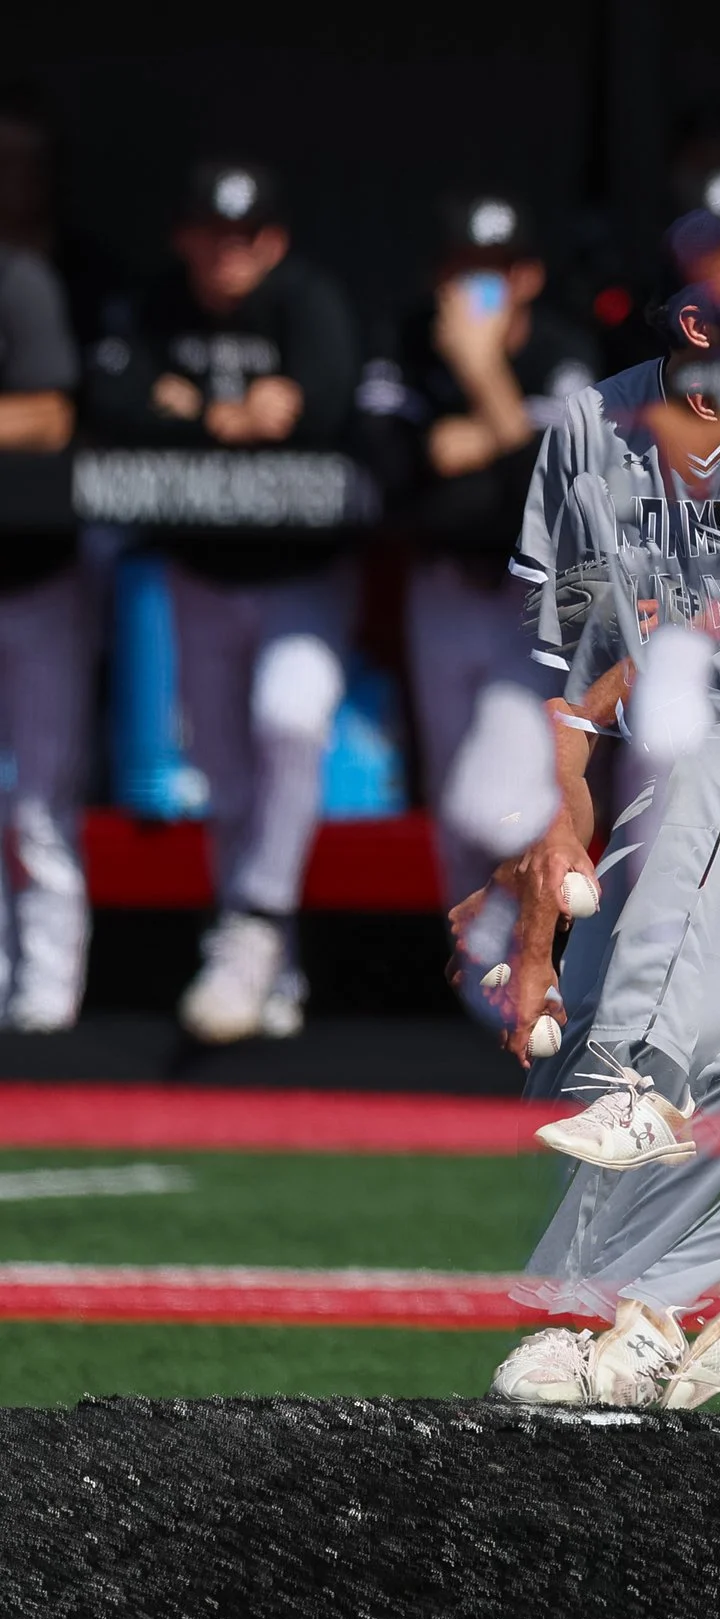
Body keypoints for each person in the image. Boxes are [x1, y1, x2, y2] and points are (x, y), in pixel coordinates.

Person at [84, 160, 360, 1044]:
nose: (224, 254)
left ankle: (259, 923)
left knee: (290, 718)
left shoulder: (308, 301)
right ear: (184, 237)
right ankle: (262, 957)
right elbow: (114, 398)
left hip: (302, 577)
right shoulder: (158, 304)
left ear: (271, 241)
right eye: (210, 236)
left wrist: (194, 403)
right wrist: (218, 415)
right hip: (199, 576)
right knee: (226, 774)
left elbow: (329, 405)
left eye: (242, 238)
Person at [360, 193, 601, 908]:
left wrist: (484, 384)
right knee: (450, 804)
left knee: (486, 796)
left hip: (535, 602)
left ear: (526, 277)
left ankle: (558, 921)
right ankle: (489, 984)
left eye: (492, 273)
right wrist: (497, 433)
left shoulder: (563, 350)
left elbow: (563, 490)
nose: (474, 290)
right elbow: (386, 468)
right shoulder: (403, 339)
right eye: (462, 271)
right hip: (440, 584)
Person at [0, 230, 84, 1031]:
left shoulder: (17, 279)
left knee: (39, 802)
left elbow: (49, 413)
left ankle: (45, 998)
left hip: (34, 581)